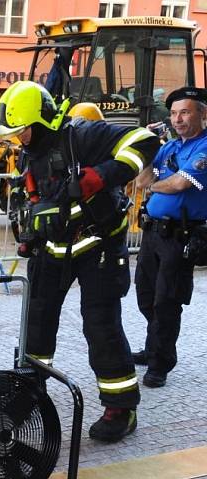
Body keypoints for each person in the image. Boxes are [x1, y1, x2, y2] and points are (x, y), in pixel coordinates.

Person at [0, 80, 160, 443]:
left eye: (21, 131)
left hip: (97, 244)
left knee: (100, 325)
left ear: (39, 121)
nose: (18, 139)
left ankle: (121, 406)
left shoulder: (82, 136)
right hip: (51, 249)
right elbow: (30, 198)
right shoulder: (28, 154)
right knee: (36, 324)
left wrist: (100, 176)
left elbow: (144, 143)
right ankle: (28, 393)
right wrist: (29, 232)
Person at [133, 87, 207, 388]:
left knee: (167, 301)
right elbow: (141, 180)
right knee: (145, 296)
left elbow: (177, 184)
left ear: (203, 114)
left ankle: (160, 363)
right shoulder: (169, 148)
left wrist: (154, 184)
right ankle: (154, 347)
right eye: (174, 113)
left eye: (185, 112)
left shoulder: (203, 149)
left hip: (180, 237)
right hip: (152, 233)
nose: (177, 119)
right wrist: (149, 149)